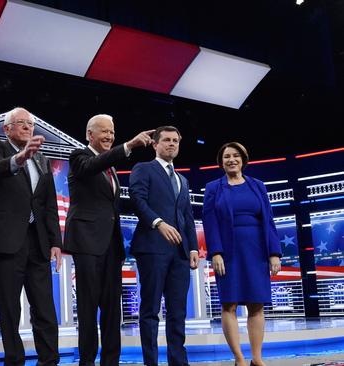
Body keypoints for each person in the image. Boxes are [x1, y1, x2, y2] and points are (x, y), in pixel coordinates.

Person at [64, 114, 153, 365]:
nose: (109, 136)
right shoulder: (78, 157)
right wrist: (128, 146)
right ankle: (88, 361)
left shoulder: (111, 167)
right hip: (87, 244)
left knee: (113, 310)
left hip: (111, 247)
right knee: (88, 308)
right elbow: (92, 165)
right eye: (104, 132)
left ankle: (111, 361)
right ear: (89, 134)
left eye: (112, 132)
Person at [0, 107, 62, 365]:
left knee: (46, 311)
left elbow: (49, 204)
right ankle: (14, 361)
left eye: (31, 124)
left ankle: (49, 361)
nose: (29, 128)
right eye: (22, 124)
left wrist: (55, 243)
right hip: (7, 243)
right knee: (9, 311)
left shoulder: (42, 159)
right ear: (7, 128)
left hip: (38, 243)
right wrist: (21, 156)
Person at [202, 142, 282, 366]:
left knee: (257, 304)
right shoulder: (213, 188)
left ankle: (257, 358)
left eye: (236, 156)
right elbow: (210, 222)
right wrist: (215, 252)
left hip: (256, 250)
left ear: (243, 159)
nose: (231, 160)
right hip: (228, 251)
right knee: (230, 303)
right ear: (221, 161)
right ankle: (239, 358)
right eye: (227, 156)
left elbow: (268, 219)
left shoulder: (258, 186)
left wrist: (274, 252)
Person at [128, 125, 199, 366]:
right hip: (152, 248)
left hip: (180, 253)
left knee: (178, 312)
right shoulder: (143, 168)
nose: (171, 144)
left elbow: (187, 216)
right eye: (166, 140)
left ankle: (178, 362)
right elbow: (137, 199)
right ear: (155, 144)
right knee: (150, 311)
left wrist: (192, 248)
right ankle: (151, 363)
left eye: (175, 141)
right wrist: (158, 223)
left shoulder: (183, 179)